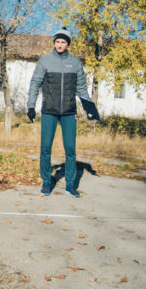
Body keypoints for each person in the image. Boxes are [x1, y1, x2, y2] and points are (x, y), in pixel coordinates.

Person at [26, 27, 95, 198]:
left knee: (70, 149)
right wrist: (30, 106)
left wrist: (89, 109)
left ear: (68, 44)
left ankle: (70, 184)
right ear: (54, 42)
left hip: (69, 111)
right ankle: (46, 181)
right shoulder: (45, 60)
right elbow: (35, 82)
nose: (60, 45)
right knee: (46, 147)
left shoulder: (75, 62)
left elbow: (81, 88)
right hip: (49, 110)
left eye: (63, 42)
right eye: (57, 41)